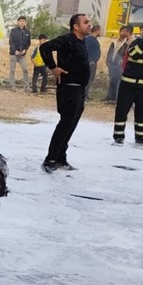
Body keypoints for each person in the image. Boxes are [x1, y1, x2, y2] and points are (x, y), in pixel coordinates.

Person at [38, 12, 91, 172]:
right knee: (65, 124)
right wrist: (53, 67)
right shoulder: (67, 40)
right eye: (86, 22)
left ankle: (61, 157)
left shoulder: (83, 42)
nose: (90, 24)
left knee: (71, 125)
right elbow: (45, 47)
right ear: (76, 26)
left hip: (79, 89)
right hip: (69, 88)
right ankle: (51, 158)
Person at [105, 25, 132, 103]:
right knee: (112, 81)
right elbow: (110, 52)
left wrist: (122, 62)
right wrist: (108, 61)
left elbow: (125, 54)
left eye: (125, 31)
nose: (123, 33)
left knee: (118, 82)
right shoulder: (114, 41)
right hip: (111, 64)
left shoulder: (126, 43)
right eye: (122, 31)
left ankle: (117, 98)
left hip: (119, 65)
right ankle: (110, 97)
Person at [8, 15, 31, 89]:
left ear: (25, 23)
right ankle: (12, 85)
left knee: (25, 70)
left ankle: (26, 86)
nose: (22, 22)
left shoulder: (27, 32)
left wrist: (25, 50)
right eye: (20, 21)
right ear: (17, 22)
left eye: (24, 21)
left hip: (22, 55)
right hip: (13, 54)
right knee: (12, 70)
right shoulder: (13, 31)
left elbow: (29, 43)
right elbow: (11, 42)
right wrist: (15, 50)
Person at [84, 22, 101, 97]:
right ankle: (84, 95)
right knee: (87, 79)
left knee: (90, 79)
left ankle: (86, 94)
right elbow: (85, 50)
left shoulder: (94, 39)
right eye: (100, 30)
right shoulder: (88, 39)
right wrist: (90, 60)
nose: (100, 32)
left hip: (93, 63)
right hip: (89, 64)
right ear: (97, 30)